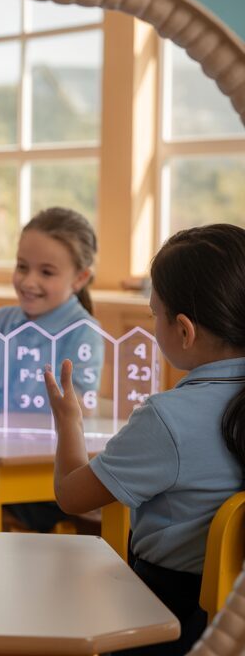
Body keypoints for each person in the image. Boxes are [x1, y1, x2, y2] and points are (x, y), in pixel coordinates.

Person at [47, 223, 245, 655]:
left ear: (184, 331)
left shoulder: (167, 419)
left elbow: (71, 495)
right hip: (231, 624)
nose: (152, 324)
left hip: (165, 618)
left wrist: (68, 422)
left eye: (154, 313)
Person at [0, 207, 101, 532]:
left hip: (45, 475)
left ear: (80, 278)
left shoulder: (84, 333)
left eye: (46, 272)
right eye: (21, 267)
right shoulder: (0, 320)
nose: (29, 282)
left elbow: (77, 414)